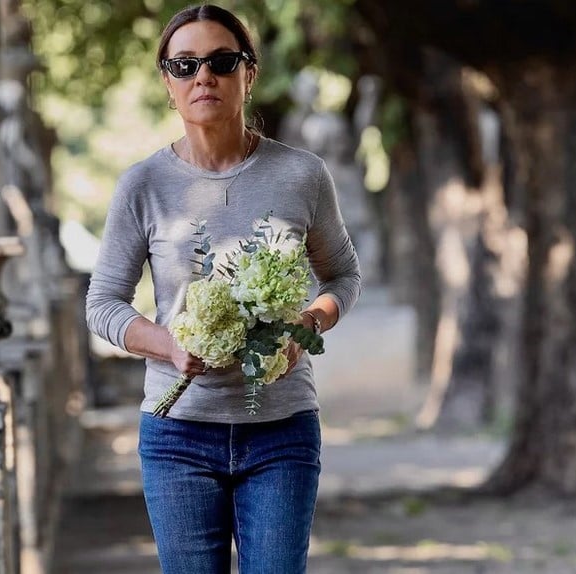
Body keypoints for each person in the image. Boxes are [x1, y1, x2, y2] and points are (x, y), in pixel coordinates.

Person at [85, 5, 361, 573]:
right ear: (167, 82)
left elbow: (342, 275)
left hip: (282, 434)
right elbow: (102, 303)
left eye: (220, 60)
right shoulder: (143, 185)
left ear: (248, 73)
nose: (202, 76)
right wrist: (169, 346)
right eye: (183, 65)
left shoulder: (302, 175)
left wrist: (304, 327)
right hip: (177, 438)